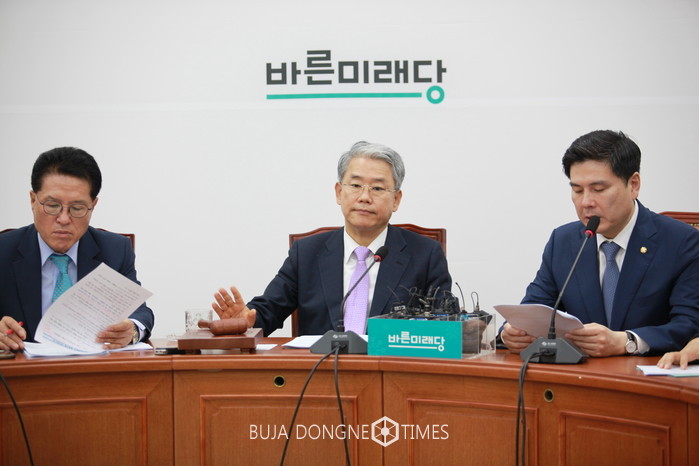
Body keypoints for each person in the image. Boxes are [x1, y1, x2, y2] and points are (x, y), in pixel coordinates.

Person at [213, 141, 452, 336]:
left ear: (396, 200)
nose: (364, 197)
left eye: (378, 188)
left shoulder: (425, 254)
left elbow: (445, 325)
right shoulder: (306, 253)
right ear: (339, 192)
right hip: (320, 373)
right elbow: (269, 311)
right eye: (355, 185)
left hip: (391, 371)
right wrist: (245, 321)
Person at [501, 130, 699, 357]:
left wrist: (627, 341)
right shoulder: (563, 241)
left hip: (647, 372)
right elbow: (534, 310)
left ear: (633, 185)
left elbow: (690, 325)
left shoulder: (681, 241)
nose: (586, 202)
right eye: (577, 190)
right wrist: (511, 333)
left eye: (598, 190)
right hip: (581, 374)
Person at [0, 147, 154, 350]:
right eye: (52, 205)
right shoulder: (3, 251)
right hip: (23, 368)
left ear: (93, 206)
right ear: (32, 200)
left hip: (90, 367)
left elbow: (140, 312)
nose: (64, 219)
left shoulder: (115, 250)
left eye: (77, 208)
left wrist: (132, 329)